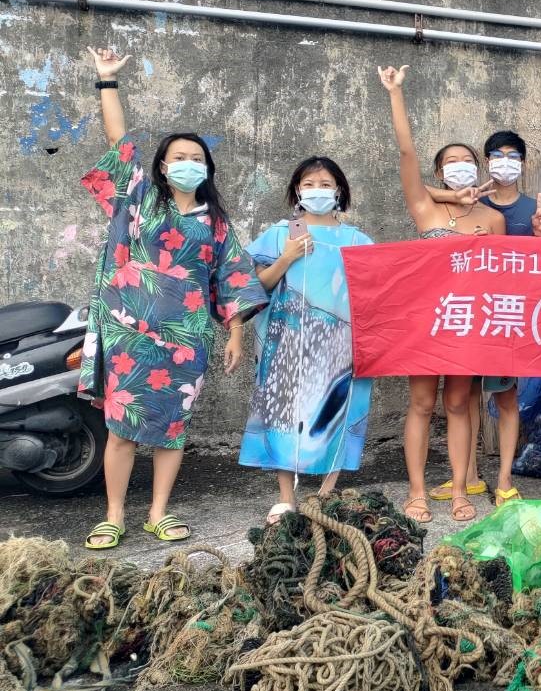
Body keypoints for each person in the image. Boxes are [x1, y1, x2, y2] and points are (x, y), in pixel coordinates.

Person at [78, 47, 266, 550]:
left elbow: (231, 278)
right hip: (127, 328)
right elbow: (119, 142)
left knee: (171, 427)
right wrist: (107, 82)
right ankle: (114, 514)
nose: (188, 163)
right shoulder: (139, 196)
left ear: (207, 167)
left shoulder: (216, 222)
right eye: (179, 157)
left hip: (186, 339)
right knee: (121, 426)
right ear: (162, 165)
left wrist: (236, 332)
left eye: (196, 158)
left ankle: (158, 512)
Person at [379, 64, 505, 525]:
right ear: (438, 172)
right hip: (424, 321)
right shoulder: (424, 206)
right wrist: (396, 93)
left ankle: (457, 490)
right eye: (450, 163)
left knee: (458, 404)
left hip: (467, 322)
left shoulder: (493, 221)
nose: (459, 168)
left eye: (466, 161)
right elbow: (406, 151)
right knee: (421, 404)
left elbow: (505, 278)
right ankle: (416, 491)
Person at [241, 157, 374, 523]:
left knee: (341, 412)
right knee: (282, 415)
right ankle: (286, 497)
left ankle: (326, 496)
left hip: (343, 350)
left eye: (325, 183)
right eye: (309, 184)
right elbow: (252, 287)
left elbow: (381, 288)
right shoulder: (279, 233)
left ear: (339, 190)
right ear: (297, 190)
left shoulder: (357, 240)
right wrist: (286, 257)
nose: (318, 190)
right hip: (285, 344)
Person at [426, 129, 541, 508]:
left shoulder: (534, 207)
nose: (505, 162)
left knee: (505, 397)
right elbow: (419, 191)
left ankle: (504, 480)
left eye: (513, 155)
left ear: (524, 164)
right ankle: (467, 477)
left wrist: (540, 234)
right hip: (464, 317)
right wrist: (454, 196)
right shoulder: (467, 202)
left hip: (504, 317)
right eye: (497, 154)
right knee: (463, 400)